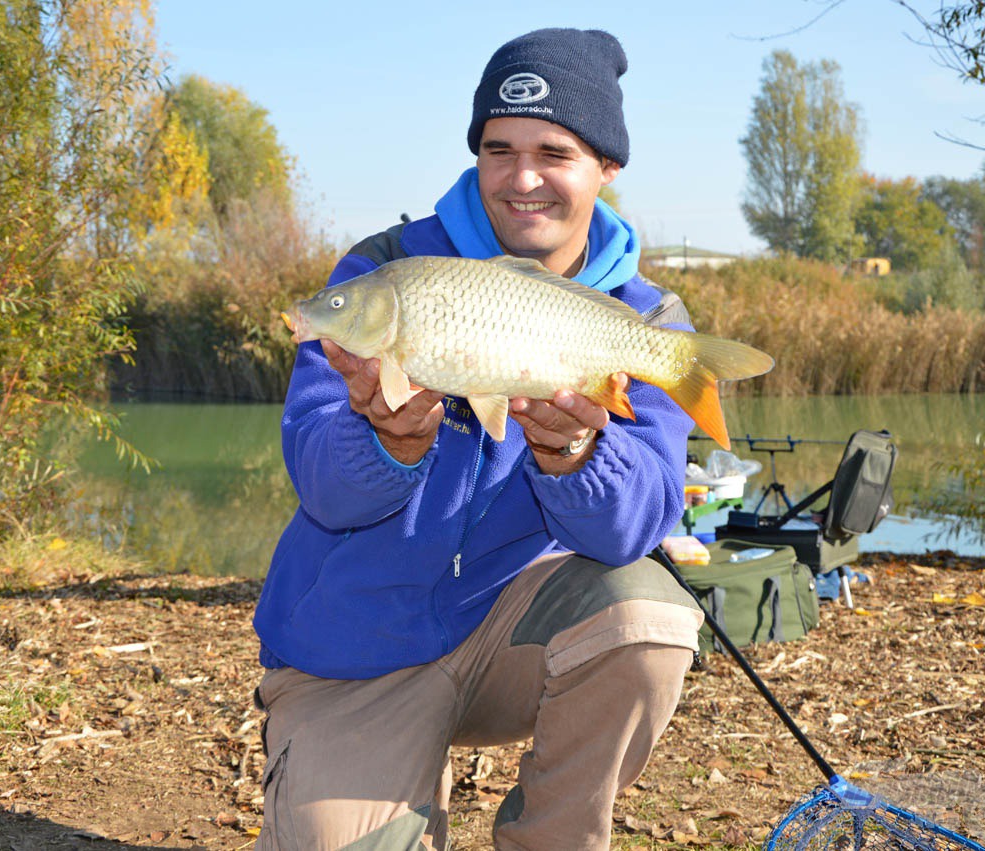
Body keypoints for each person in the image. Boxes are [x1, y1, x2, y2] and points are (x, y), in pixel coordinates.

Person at [252, 27, 704, 851]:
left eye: (553, 152)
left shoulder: (646, 320)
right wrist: (386, 443)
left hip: (514, 634)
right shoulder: (384, 270)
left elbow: (634, 527)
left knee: (652, 620)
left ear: (606, 168)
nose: (523, 178)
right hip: (360, 645)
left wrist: (572, 456)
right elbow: (319, 482)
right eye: (499, 149)